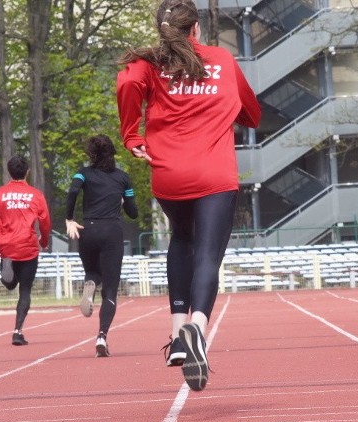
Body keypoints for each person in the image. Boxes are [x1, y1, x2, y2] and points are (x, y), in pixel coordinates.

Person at [116, 0, 261, 391]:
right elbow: (252, 114)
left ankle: (178, 332)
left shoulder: (148, 64)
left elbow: (127, 83)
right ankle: (197, 326)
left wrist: (131, 133)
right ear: (195, 29)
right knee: (208, 255)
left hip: (169, 176)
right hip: (214, 175)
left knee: (182, 240)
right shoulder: (221, 60)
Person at [64, 134, 139, 357]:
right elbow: (133, 214)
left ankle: (89, 284)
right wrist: (124, 201)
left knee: (92, 272)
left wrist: (69, 218)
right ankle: (102, 336)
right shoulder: (123, 178)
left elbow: (73, 191)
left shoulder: (83, 173)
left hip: (88, 229)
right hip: (112, 231)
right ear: (113, 154)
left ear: (91, 154)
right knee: (110, 290)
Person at [0, 154, 51, 346]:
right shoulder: (36, 195)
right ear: (27, 172)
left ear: (9, 172)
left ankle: (8, 275)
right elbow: (45, 221)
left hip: (7, 247)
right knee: (25, 290)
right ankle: (17, 331)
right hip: (28, 247)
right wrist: (44, 241)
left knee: (10, 284)